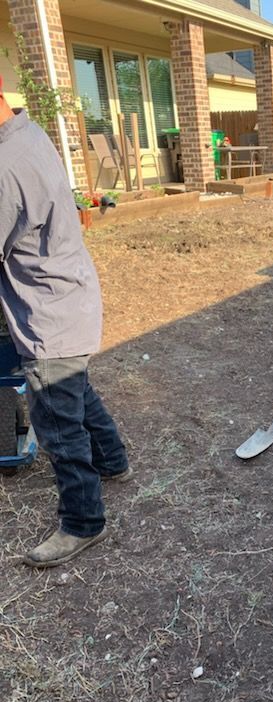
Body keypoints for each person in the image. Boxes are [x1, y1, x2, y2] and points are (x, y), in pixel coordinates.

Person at [0, 78, 131, 568]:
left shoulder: (5, 166)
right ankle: (114, 461)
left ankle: (83, 522)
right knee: (76, 391)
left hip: (47, 313)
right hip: (71, 297)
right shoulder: (30, 133)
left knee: (57, 425)